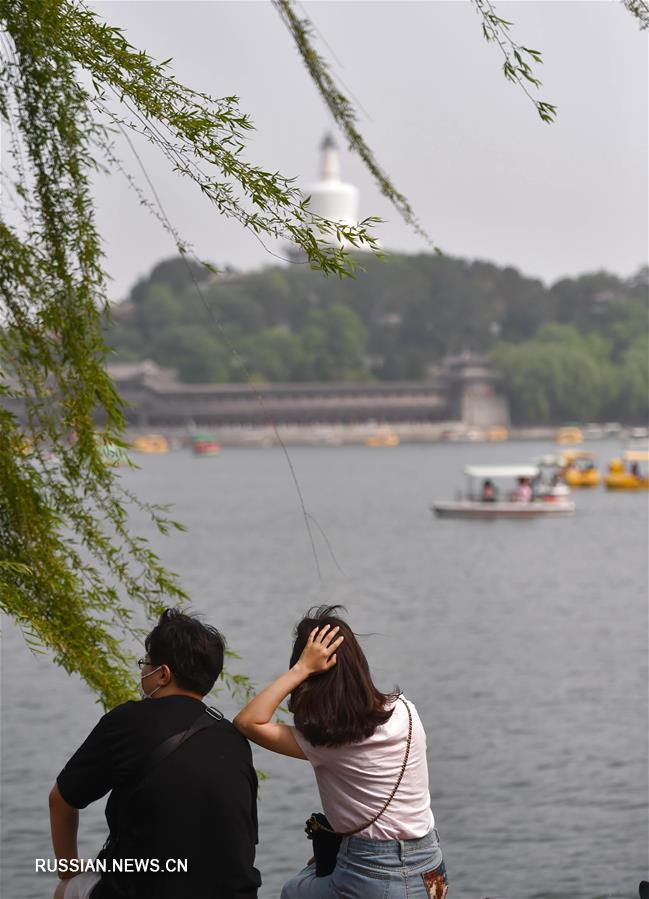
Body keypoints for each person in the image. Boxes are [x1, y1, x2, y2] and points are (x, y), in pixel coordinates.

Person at [233, 606, 448, 899]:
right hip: (431, 874)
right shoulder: (406, 711)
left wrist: (301, 669)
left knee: (293, 891)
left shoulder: (325, 741)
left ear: (313, 679)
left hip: (373, 875)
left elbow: (248, 722)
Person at [49, 609, 261, 899]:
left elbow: (61, 801)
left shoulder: (127, 721)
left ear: (162, 674)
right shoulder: (233, 739)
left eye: (145, 663)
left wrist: (69, 870)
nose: (142, 671)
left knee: (66, 890)